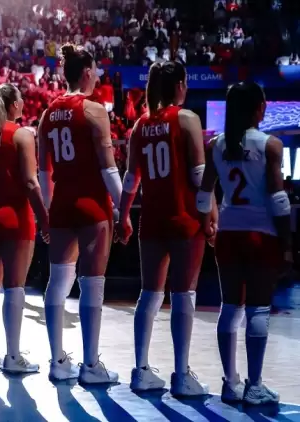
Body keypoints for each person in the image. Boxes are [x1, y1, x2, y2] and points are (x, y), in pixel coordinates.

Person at [117, 61, 209, 395]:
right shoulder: (187, 119)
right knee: (183, 294)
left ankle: (140, 370)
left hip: (152, 220)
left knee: (150, 294)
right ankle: (181, 375)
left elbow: (131, 179)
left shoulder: (140, 126)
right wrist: (211, 213)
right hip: (184, 219)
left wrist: (123, 215)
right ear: (181, 85)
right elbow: (200, 177)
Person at [197, 82, 288, 405]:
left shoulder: (216, 145)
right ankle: (255, 385)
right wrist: (287, 241)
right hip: (260, 235)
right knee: (258, 308)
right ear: (259, 108)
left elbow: (203, 194)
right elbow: (278, 199)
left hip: (229, 234)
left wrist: (207, 225)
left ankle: (230, 382)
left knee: (230, 306)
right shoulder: (271, 145)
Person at [39, 44, 121, 383]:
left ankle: (57, 361)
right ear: (86, 72)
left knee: (57, 282)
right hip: (91, 204)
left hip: (61, 204)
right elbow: (108, 169)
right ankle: (90, 365)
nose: (98, 75)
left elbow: (44, 172)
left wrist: (48, 210)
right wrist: (125, 205)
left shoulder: (47, 113)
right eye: (96, 70)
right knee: (92, 284)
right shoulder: (94, 110)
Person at [0, 83, 48, 373]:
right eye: (21, 99)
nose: (24, 102)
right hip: (15, 218)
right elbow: (29, 182)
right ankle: (13, 356)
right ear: (13, 105)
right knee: (14, 287)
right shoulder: (21, 134)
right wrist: (44, 217)